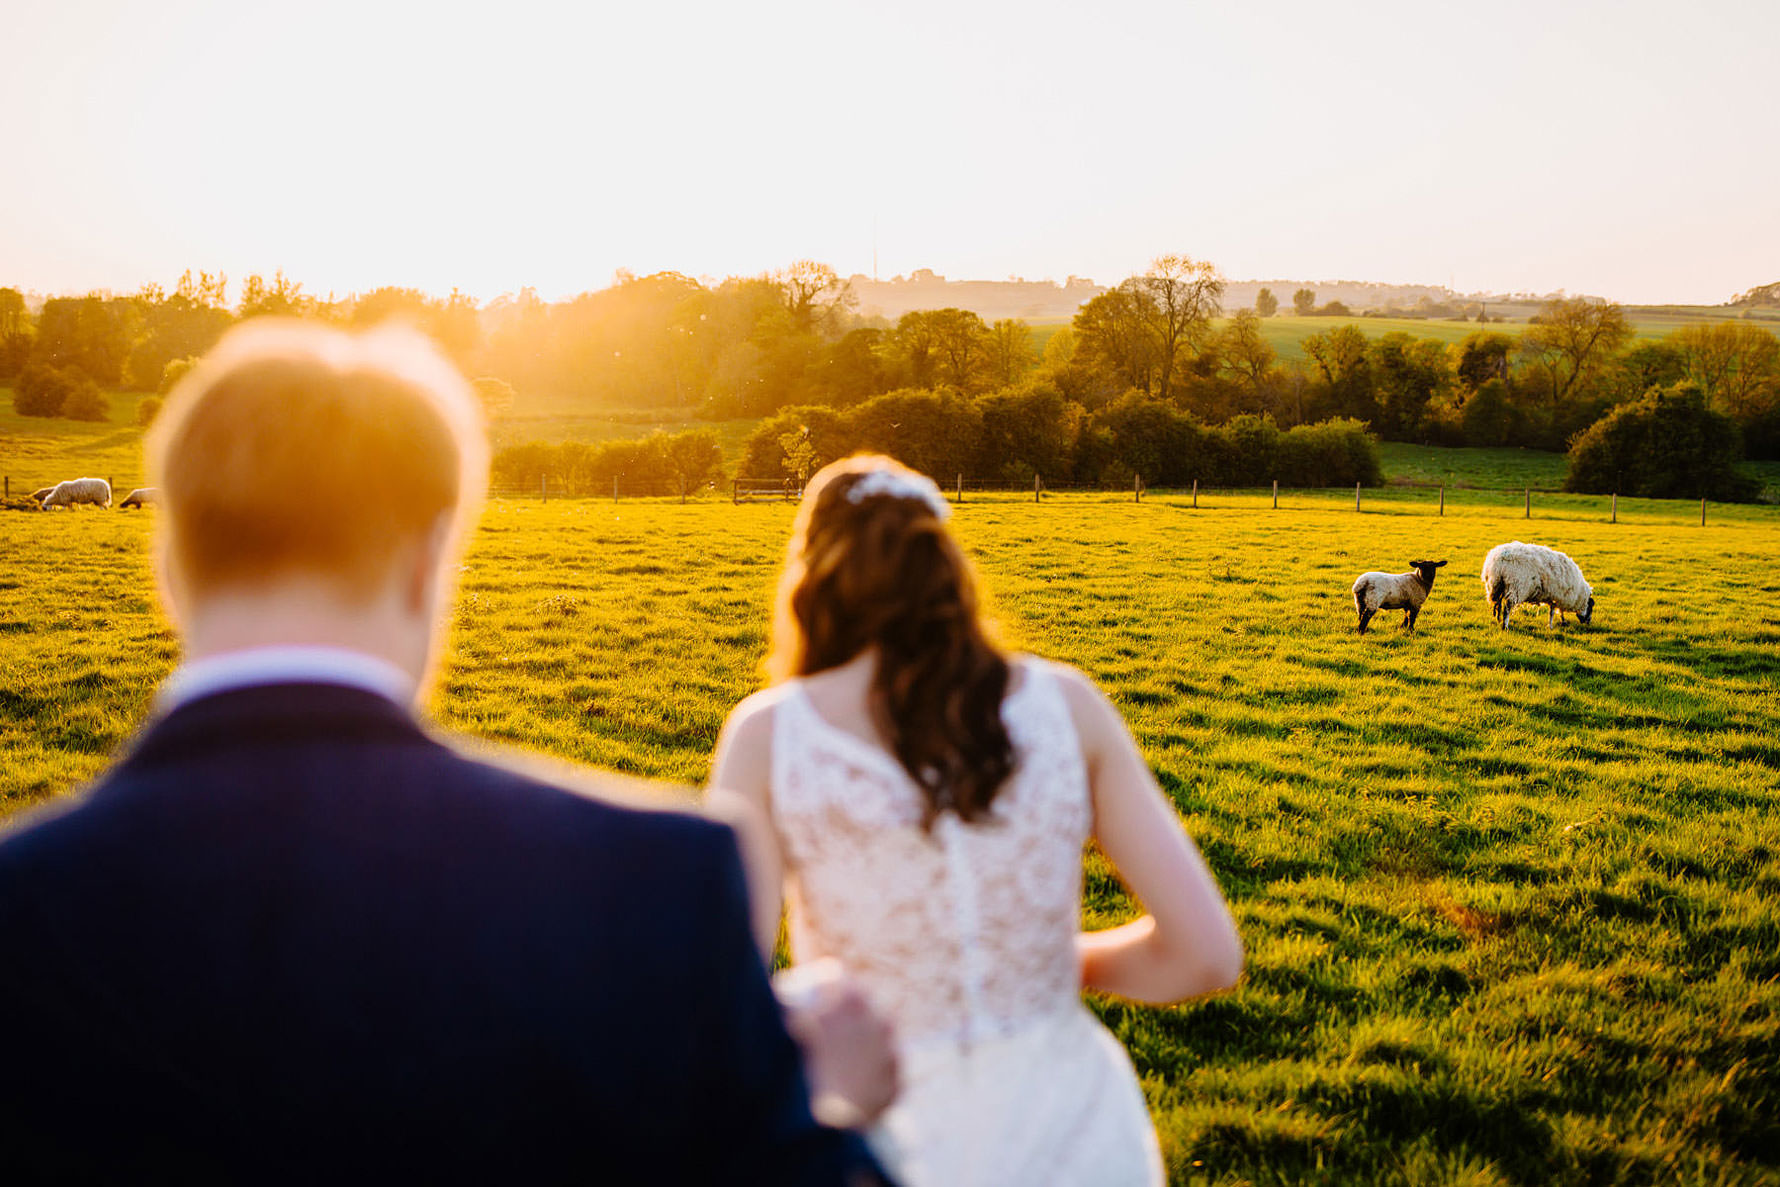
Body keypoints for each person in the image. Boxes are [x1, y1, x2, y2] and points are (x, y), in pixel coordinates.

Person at [0, 322, 893, 1184]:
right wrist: (829, 1103)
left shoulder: (24, 908)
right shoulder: (659, 884)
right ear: (432, 559)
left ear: (168, 562)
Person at [709, 454, 1245, 1187]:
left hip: (884, 1137)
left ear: (811, 577)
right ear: (946, 566)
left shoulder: (771, 734)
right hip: (1079, 1131)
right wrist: (1058, 962)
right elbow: (1208, 955)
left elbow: (719, 997)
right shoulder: (1069, 704)